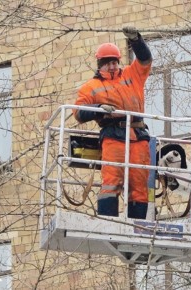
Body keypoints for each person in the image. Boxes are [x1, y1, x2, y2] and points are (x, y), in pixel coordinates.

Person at [73, 26, 152, 219]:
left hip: (137, 135)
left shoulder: (131, 75)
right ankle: (108, 221)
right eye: (107, 63)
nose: (112, 66)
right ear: (100, 64)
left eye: (114, 62)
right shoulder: (91, 87)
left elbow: (145, 59)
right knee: (111, 180)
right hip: (113, 135)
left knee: (139, 183)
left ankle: (137, 224)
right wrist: (98, 108)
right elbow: (78, 112)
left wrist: (136, 40)